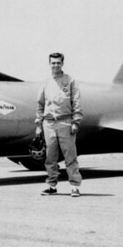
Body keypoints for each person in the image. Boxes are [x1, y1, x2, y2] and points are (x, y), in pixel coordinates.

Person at [35, 52, 83, 197]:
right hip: (49, 123)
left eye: (58, 63)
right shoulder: (45, 83)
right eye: (53, 63)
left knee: (70, 156)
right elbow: (40, 105)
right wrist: (38, 125)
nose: (55, 65)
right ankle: (52, 186)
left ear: (62, 63)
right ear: (49, 64)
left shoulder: (70, 81)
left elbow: (76, 102)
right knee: (50, 157)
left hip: (65, 122)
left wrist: (76, 122)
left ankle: (74, 186)